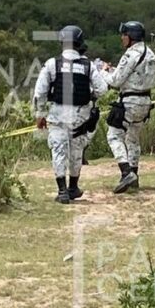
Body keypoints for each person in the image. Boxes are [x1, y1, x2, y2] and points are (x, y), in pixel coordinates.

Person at [34, 25, 107, 204]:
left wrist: (40, 114)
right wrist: (90, 95)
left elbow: (40, 91)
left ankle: (62, 191)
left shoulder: (53, 64)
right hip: (81, 116)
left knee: (58, 151)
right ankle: (73, 187)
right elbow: (102, 89)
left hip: (58, 115)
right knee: (76, 151)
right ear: (79, 43)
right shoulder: (88, 66)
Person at [102, 21, 155, 194]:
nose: (122, 38)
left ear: (131, 36)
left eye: (124, 35)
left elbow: (115, 81)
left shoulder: (131, 54)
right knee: (133, 138)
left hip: (129, 101)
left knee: (114, 135)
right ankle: (134, 174)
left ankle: (126, 171)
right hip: (145, 101)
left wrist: (103, 71)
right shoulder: (150, 54)